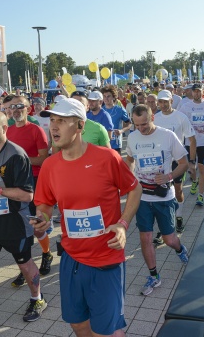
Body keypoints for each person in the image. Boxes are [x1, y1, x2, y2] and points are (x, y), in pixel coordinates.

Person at [32, 98, 142, 337]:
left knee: (106, 331)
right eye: (52, 121)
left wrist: (123, 225)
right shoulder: (50, 166)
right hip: (72, 259)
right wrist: (41, 221)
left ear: (80, 126)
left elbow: (135, 188)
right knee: (78, 324)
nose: (54, 127)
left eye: (62, 121)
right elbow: (45, 204)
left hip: (106, 259)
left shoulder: (107, 158)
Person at [0, 111, 47, 337]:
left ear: (4, 128)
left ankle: (37, 298)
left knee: (24, 265)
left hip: (14, 223)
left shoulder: (17, 155)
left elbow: (27, 195)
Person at [125, 105, 189, 297]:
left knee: (169, 239)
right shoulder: (133, 137)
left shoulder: (167, 136)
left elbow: (184, 163)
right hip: (142, 197)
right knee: (145, 238)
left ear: (152, 117)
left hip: (164, 197)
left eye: (144, 124)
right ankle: (154, 275)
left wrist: (169, 175)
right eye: (137, 125)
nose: (141, 129)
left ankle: (180, 248)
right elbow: (130, 159)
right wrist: (130, 174)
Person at [5, 95, 53, 279]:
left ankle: (47, 253)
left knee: (36, 225)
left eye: (20, 106)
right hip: (14, 184)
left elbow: (42, 158)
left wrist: (20, 160)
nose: (16, 110)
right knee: (19, 227)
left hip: (34, 182)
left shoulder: (36, 130)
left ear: (28, 109)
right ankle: (25, 265)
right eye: (12, 107)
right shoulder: (8, 131)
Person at [153, 90, 196, 233]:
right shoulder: (155, 118)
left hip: (178, 161)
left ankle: (179, 217)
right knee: (162, 193)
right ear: (157, 103)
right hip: (159, 162)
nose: (163, 104)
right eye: (161, 102)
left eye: (166, 101)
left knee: (177, 191)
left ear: (172, 101)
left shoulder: (181, 117)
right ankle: (163, 227)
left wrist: (191, 161)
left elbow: (192, 139)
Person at [178, 83, 204, 206]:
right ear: (191, 92)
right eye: (194, 91)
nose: (196, 93)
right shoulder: (185, 107)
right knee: (191, 168)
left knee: (202, 168)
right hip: (189, 143)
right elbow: (179, 121)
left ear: (202, 91)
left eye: (198, 91)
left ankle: (200, 196)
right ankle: (194, 181)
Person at [101, 85, 131, 155]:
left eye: (108, 96)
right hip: (103, 143)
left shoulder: (119, 110)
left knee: (116, 165)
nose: (106, 98)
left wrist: (122, 130)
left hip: (116, 144)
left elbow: (130, 123)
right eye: (104, 96)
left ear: (114, 97)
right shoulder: (100, 110)